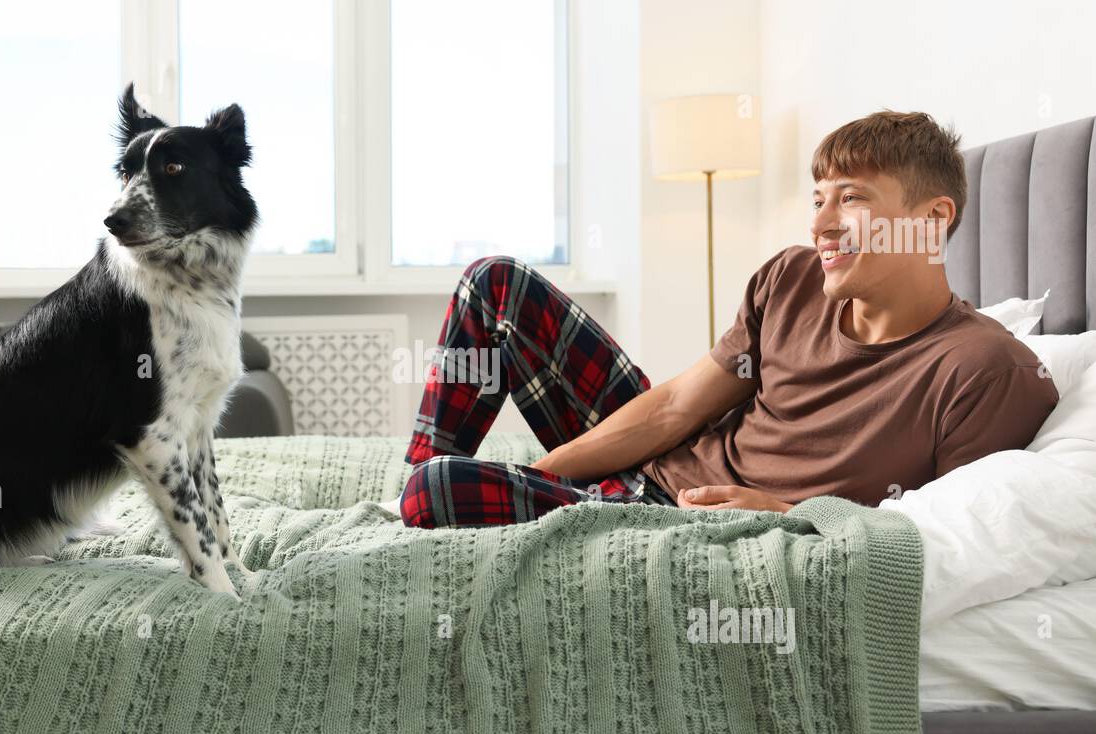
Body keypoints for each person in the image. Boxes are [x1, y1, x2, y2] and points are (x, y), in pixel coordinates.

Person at [396, 110, 1058, 528]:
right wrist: (547, 479)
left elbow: (943, 536)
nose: (821, 224)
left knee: (438, 495)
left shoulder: (987, 369)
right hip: (660, 463)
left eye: (851, 199)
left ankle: (416, 501)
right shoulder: (791, 279)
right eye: (819, 197)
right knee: (496, 285)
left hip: (692, 526)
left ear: (932, 218)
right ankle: (399, 505)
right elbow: (674, 409)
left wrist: (790, 513)